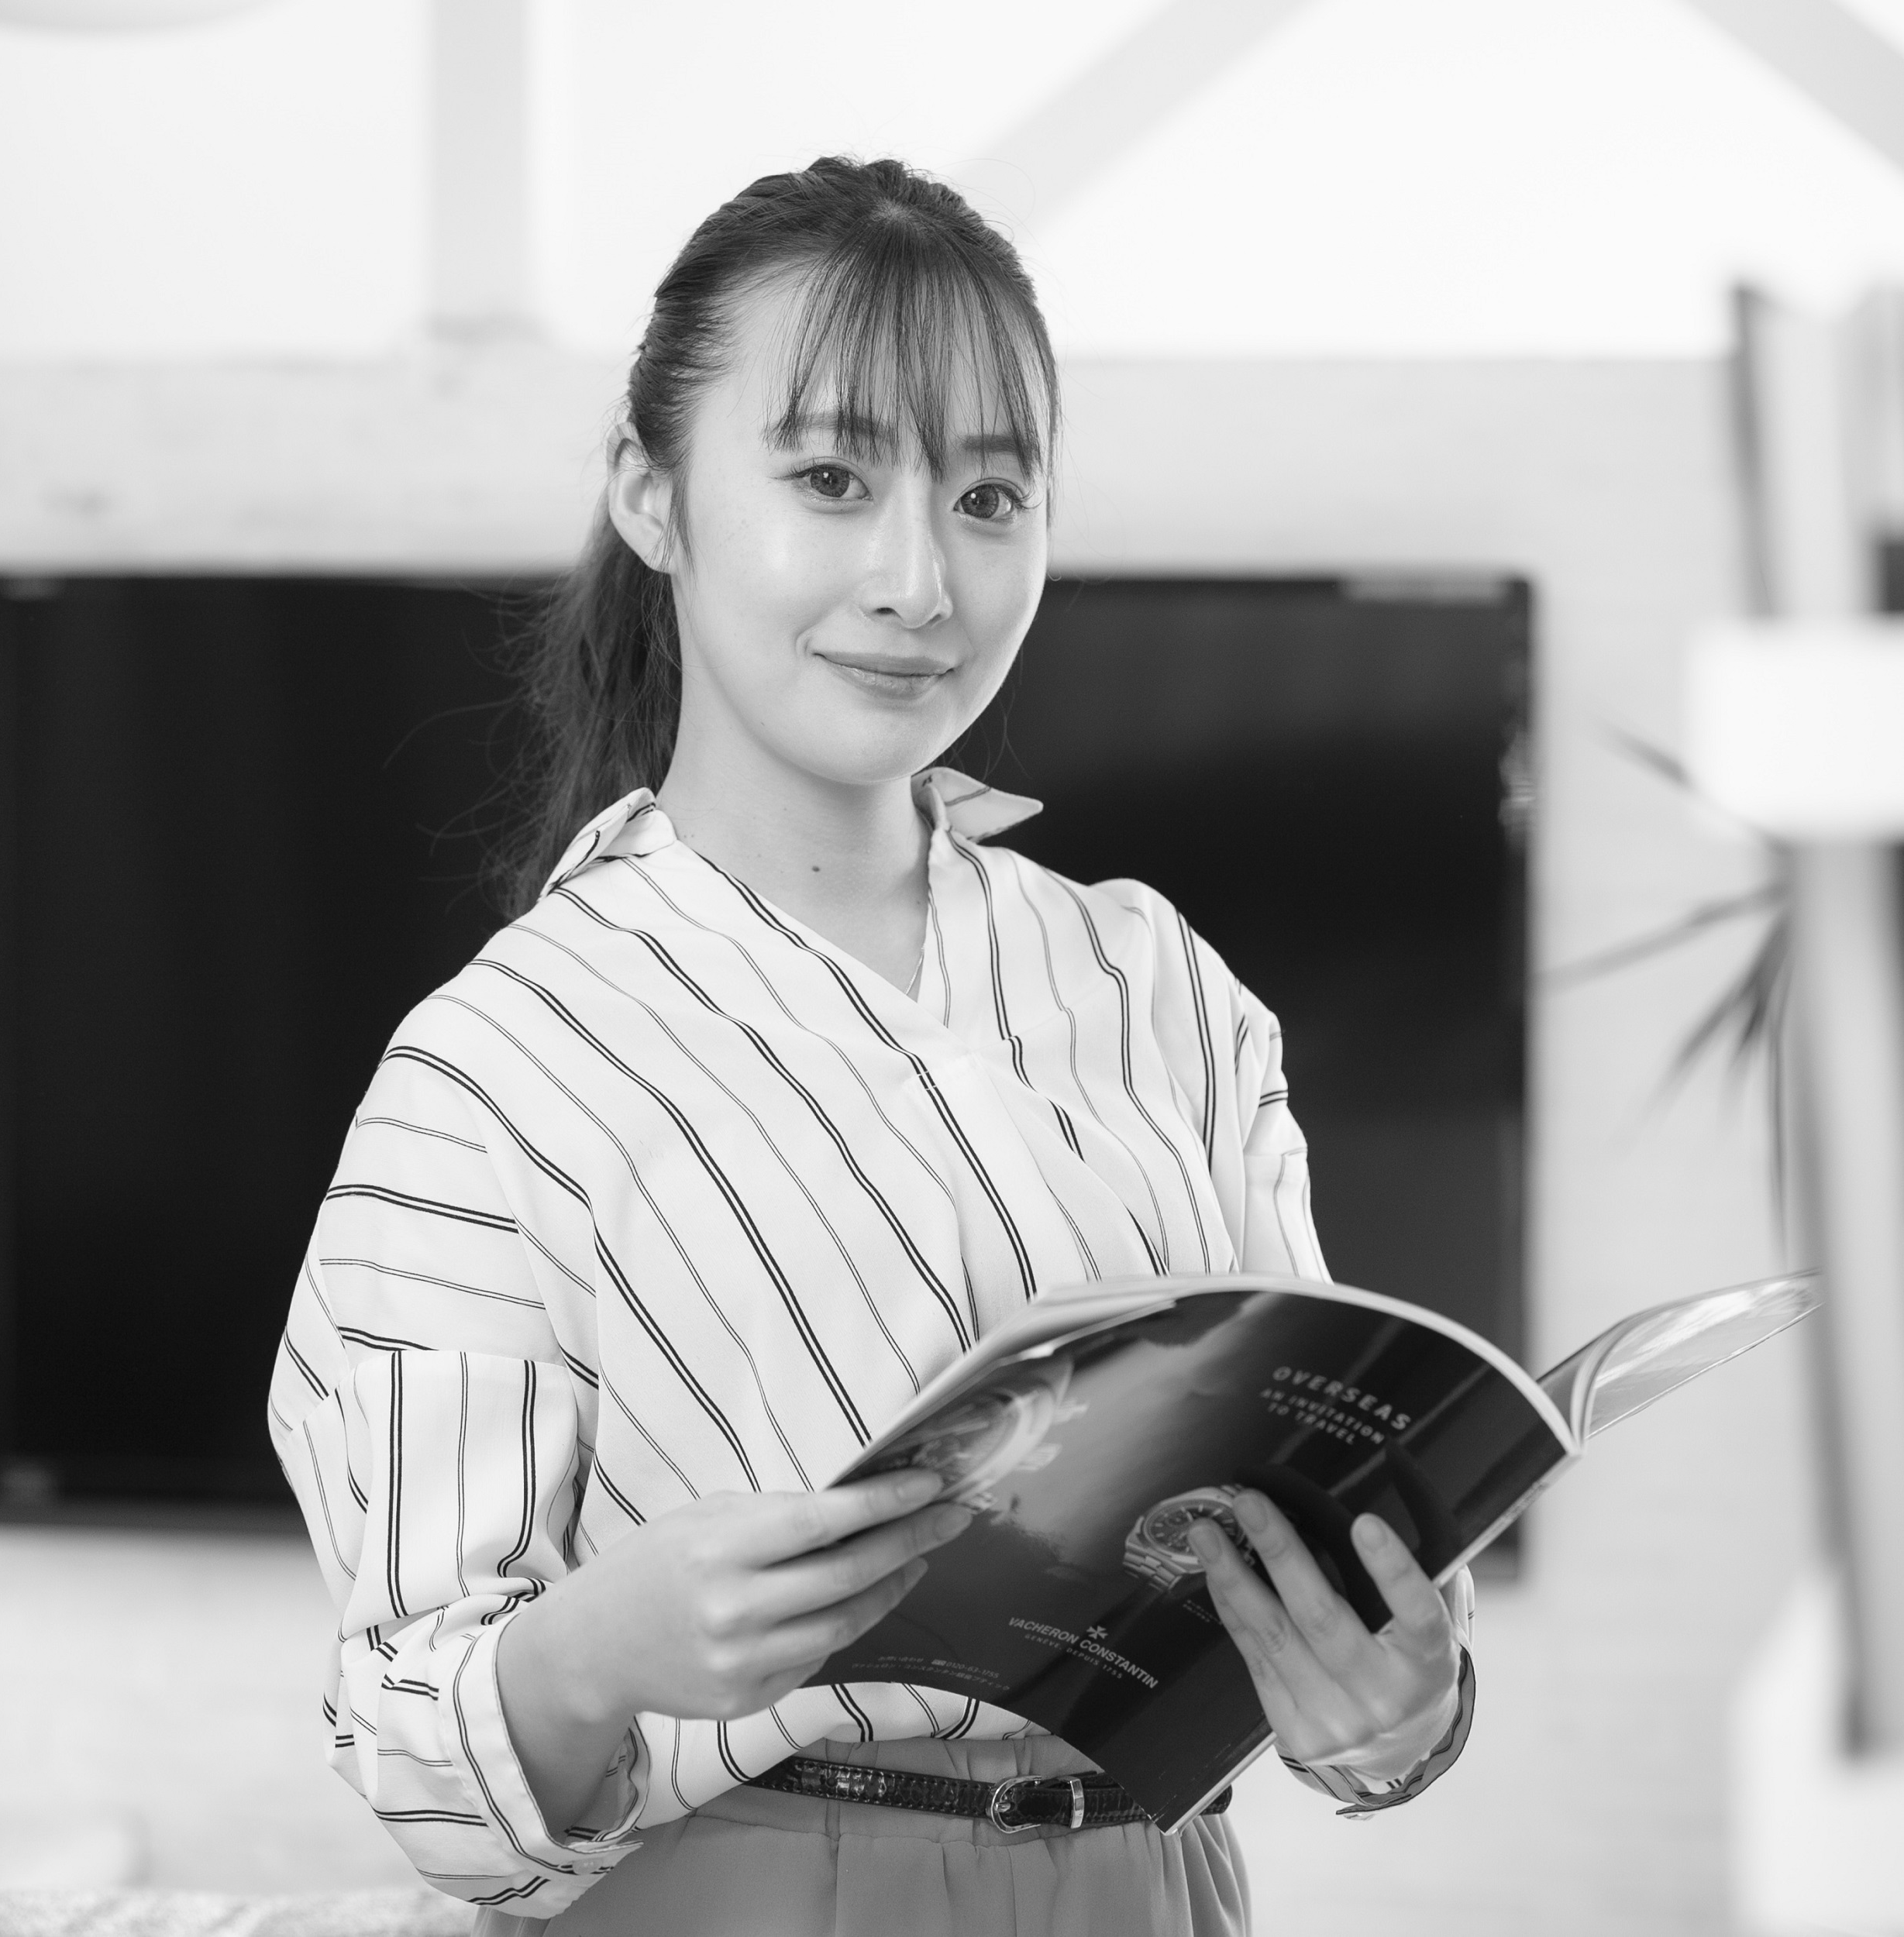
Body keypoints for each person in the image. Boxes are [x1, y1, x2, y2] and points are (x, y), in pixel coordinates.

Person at [269, 155, 1475, 1937]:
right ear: (649, 492)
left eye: (987, 497)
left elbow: (1311, 1515)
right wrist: (594, 1646)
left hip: (1159, 1887)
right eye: (830, 479)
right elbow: (414, 1756)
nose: (918, 579)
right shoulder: (493, 1067)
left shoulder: (1155, 981)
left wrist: (1396, 1709)